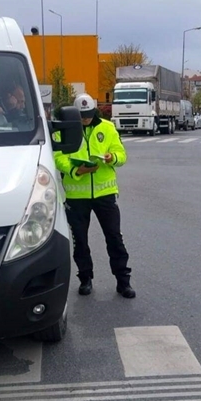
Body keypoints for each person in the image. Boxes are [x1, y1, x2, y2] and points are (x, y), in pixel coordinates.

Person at [52, 93, 135, 298]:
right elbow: (58, 157)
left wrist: (111, 157)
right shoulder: (63, 130)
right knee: (80, 240)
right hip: (76, 195)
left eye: (88, 114)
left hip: (105, 193)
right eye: (81, 115)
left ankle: (123, 281)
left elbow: (122, 155)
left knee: (114, 237)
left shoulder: (107, 127)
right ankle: (86, 279)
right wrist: (76, 171)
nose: (85, 119)